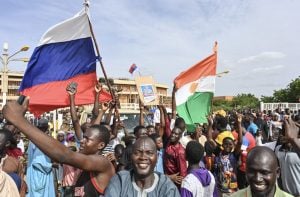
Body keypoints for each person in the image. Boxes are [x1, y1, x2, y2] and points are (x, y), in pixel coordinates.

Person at [2, 97, 115, 196]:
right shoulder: (86, 158)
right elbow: (59, 154)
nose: (82, 141)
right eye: (83, 137)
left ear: (101, 145)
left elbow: (64, 155)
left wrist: (19, 120)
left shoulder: (102, 163)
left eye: (87, 139)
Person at [104, 136, 180, 197]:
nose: (143, 157)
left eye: (149, 153)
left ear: (157, 158)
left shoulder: (166, 186)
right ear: (131, 157)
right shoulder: (120, 181)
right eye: (137, 153)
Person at [26, 118, 55, 197]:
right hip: (40, 173)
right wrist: (52, 165)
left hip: (37, 172)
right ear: (46, 128)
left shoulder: (34, 139)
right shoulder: (41, 140)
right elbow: (38, 162)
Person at [275, 118, 300, 196]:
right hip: (285, 194)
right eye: (282, 131)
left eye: (285, 131)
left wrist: (292, 139)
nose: (282, 135)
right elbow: (279, 173)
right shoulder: (278, 149)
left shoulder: (298, 149)